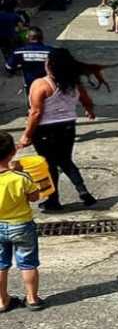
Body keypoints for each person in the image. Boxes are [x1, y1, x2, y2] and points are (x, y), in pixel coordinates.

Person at [18, 48, 97, 212]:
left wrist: (27, 135)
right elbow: (86, 100)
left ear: (49, 65)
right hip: (68, 126)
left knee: (48, 165)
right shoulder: (74, 83)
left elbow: (35, 112)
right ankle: (83, 191)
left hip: (45, 130)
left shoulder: (41, 84)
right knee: (66, 160)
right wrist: (89, 110)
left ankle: (53, 200)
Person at [0, 132, 44, 313]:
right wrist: (23, 173)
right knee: (28, 262)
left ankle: (2, 301)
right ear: (12, 153)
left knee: (1, 264)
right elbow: (35, 197)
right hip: (22, 224)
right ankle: (32, 298)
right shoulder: (20, 178)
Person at [5, 27, 55, 96]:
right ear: (42, 38)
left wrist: (20, 67)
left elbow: (8, 67)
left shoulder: (19, 52)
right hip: (48, 83)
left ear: (27, 37)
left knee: (33, 104)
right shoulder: (51, 51)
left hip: (31, 84)